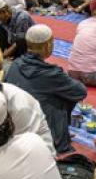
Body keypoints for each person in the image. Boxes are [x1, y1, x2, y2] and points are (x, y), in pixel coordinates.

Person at [5, 25, 87, 155]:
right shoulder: (50, 74)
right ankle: (59, 137)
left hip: (16, 128)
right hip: (41, 134)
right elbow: (81, 92)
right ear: (47, 46)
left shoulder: (15, 64)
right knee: (65, 95)